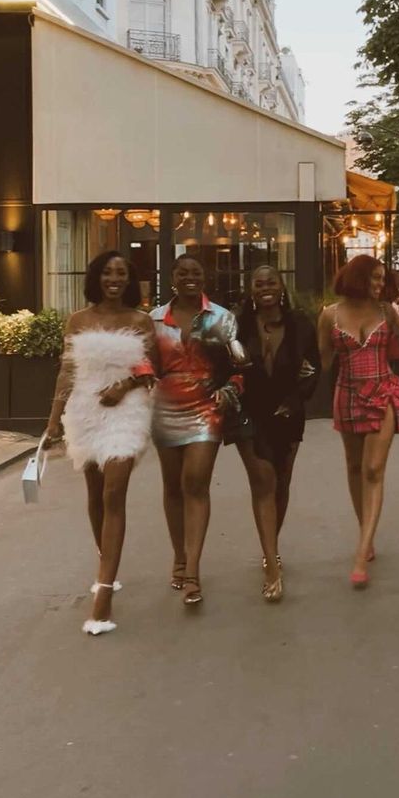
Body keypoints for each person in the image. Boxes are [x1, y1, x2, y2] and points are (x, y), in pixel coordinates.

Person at [44, 251, 157, 636]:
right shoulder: (78, 320)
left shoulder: (141, 321)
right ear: (97, 277)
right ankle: (105, 560)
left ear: (129, 280)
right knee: (95, 494)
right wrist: (52, 422)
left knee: (114, 492)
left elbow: (149, 369)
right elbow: (66, 370)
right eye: (108, 272)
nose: (114, 278)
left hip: (126, 409)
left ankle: (103, 594)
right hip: (84, 408)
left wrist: (124, 385)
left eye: (121, 272)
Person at [151, 254, 247, 606]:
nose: (190, 277)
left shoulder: (222, 318)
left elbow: (241, 368)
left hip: (206, 406)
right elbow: (145, 362)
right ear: (172, 277)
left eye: (196, 271)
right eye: (182, 272)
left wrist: (230, 390)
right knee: (172, 487)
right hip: (165, 407)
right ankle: (178, 556)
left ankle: (192, 571)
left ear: (204, 277)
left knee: (196, 481)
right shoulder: (155, 320)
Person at [318, 255, 399, 587]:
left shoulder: (387, 311)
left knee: (373, 469)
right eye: (373, 278)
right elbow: (323, 364)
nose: (378, 285)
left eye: (381, 280)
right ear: (356, 277)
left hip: (384, 391)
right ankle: (366, 534)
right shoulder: (329, 315)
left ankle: (361, 553)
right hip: (348, 393)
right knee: (355, 467)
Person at [235, 266, 320, 570]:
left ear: (282, 287)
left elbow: (312, 368)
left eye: (271, 282)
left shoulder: (300, 325)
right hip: (250, 414)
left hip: (288, 413)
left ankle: (271, 545)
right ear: (252, 290)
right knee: (264, 483)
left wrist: (295, 401)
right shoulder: (239, 325)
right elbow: (227, 367)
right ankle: (271, 560)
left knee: (281, 484)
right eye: (258, 283)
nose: (265, 287)